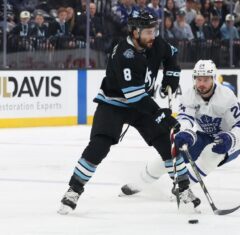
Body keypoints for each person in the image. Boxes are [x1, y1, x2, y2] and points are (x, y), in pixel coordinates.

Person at [58, 10, 200, 215]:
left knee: (167, 143)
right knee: (99, 145)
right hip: (114, 104)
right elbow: (135, 97)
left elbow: (172, 55)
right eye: (147, 32)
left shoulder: (156, 43)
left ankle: (183, 189)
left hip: (142, 104)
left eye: (154, 30)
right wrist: (161, 115)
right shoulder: (124, 54)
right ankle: (73, 191)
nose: (152, 36)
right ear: (135, 32)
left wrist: (171, 77)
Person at [121, 60, 240, 196]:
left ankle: (182, 188)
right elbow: (185, 119)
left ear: (213, 78)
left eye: (206, 80)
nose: (201, 84)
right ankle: (140, 182)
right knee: (173, 153)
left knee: (212, 153)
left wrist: (231, 138)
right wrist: (185, 133)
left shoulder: (226, 97)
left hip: (229, 141)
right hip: (204, 135)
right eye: (199, 79)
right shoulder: (189, 96)